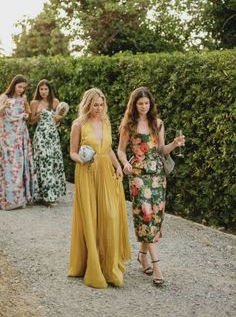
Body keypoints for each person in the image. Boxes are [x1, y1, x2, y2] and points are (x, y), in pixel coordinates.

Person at [118, 86, 185, 287]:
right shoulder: (128, 125)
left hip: (157, 175)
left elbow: (161, 149)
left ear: (151, 104)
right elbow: (120, 150)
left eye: (147, 103)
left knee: (155, 216)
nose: (144, 106)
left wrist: (174, 144)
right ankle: (157, 265)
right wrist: (125, 164)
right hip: (138, 175)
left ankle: (142, 255)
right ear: (134, 105)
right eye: (140, 103)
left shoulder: (158, 123)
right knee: (145, 215)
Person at [68, 88, 131, 288]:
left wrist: (118, 165)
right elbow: (72, 152)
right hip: (87, 173)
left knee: (111, 216)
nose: (99, 108)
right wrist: (83, 160)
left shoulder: (106, 122)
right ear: (88, 104)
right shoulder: (78, 124)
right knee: (91, 218)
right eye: (95, 104)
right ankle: (93, 267)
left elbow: (109, 148)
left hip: (106, 172)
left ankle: (110, 268)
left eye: (101, 104)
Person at [30, 79, 66, 206]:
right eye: (41, 89)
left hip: (52, 135)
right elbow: (31, 121)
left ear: (49, 90)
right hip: (40, 136)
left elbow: (58, 121)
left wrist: (59, 118)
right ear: (38, 90)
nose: (44, 91)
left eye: (46, 89)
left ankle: (51, 194)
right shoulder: (34, 103)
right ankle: (44, 196)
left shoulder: (55, 102)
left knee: (52, 162)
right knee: (43, 163)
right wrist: (38, 115)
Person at [0, 75, 33, 210]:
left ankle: (19, 199)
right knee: (7, 166)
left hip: (20, 135)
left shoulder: (23, 99)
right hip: (7, 136)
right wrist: (3, 106)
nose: (21, 90)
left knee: (18, 167)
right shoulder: (4, 97)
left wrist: (25, 116)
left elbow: (28, 115)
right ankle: (7, 200)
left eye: (24, 88)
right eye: (19, 87)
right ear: (13, 85)